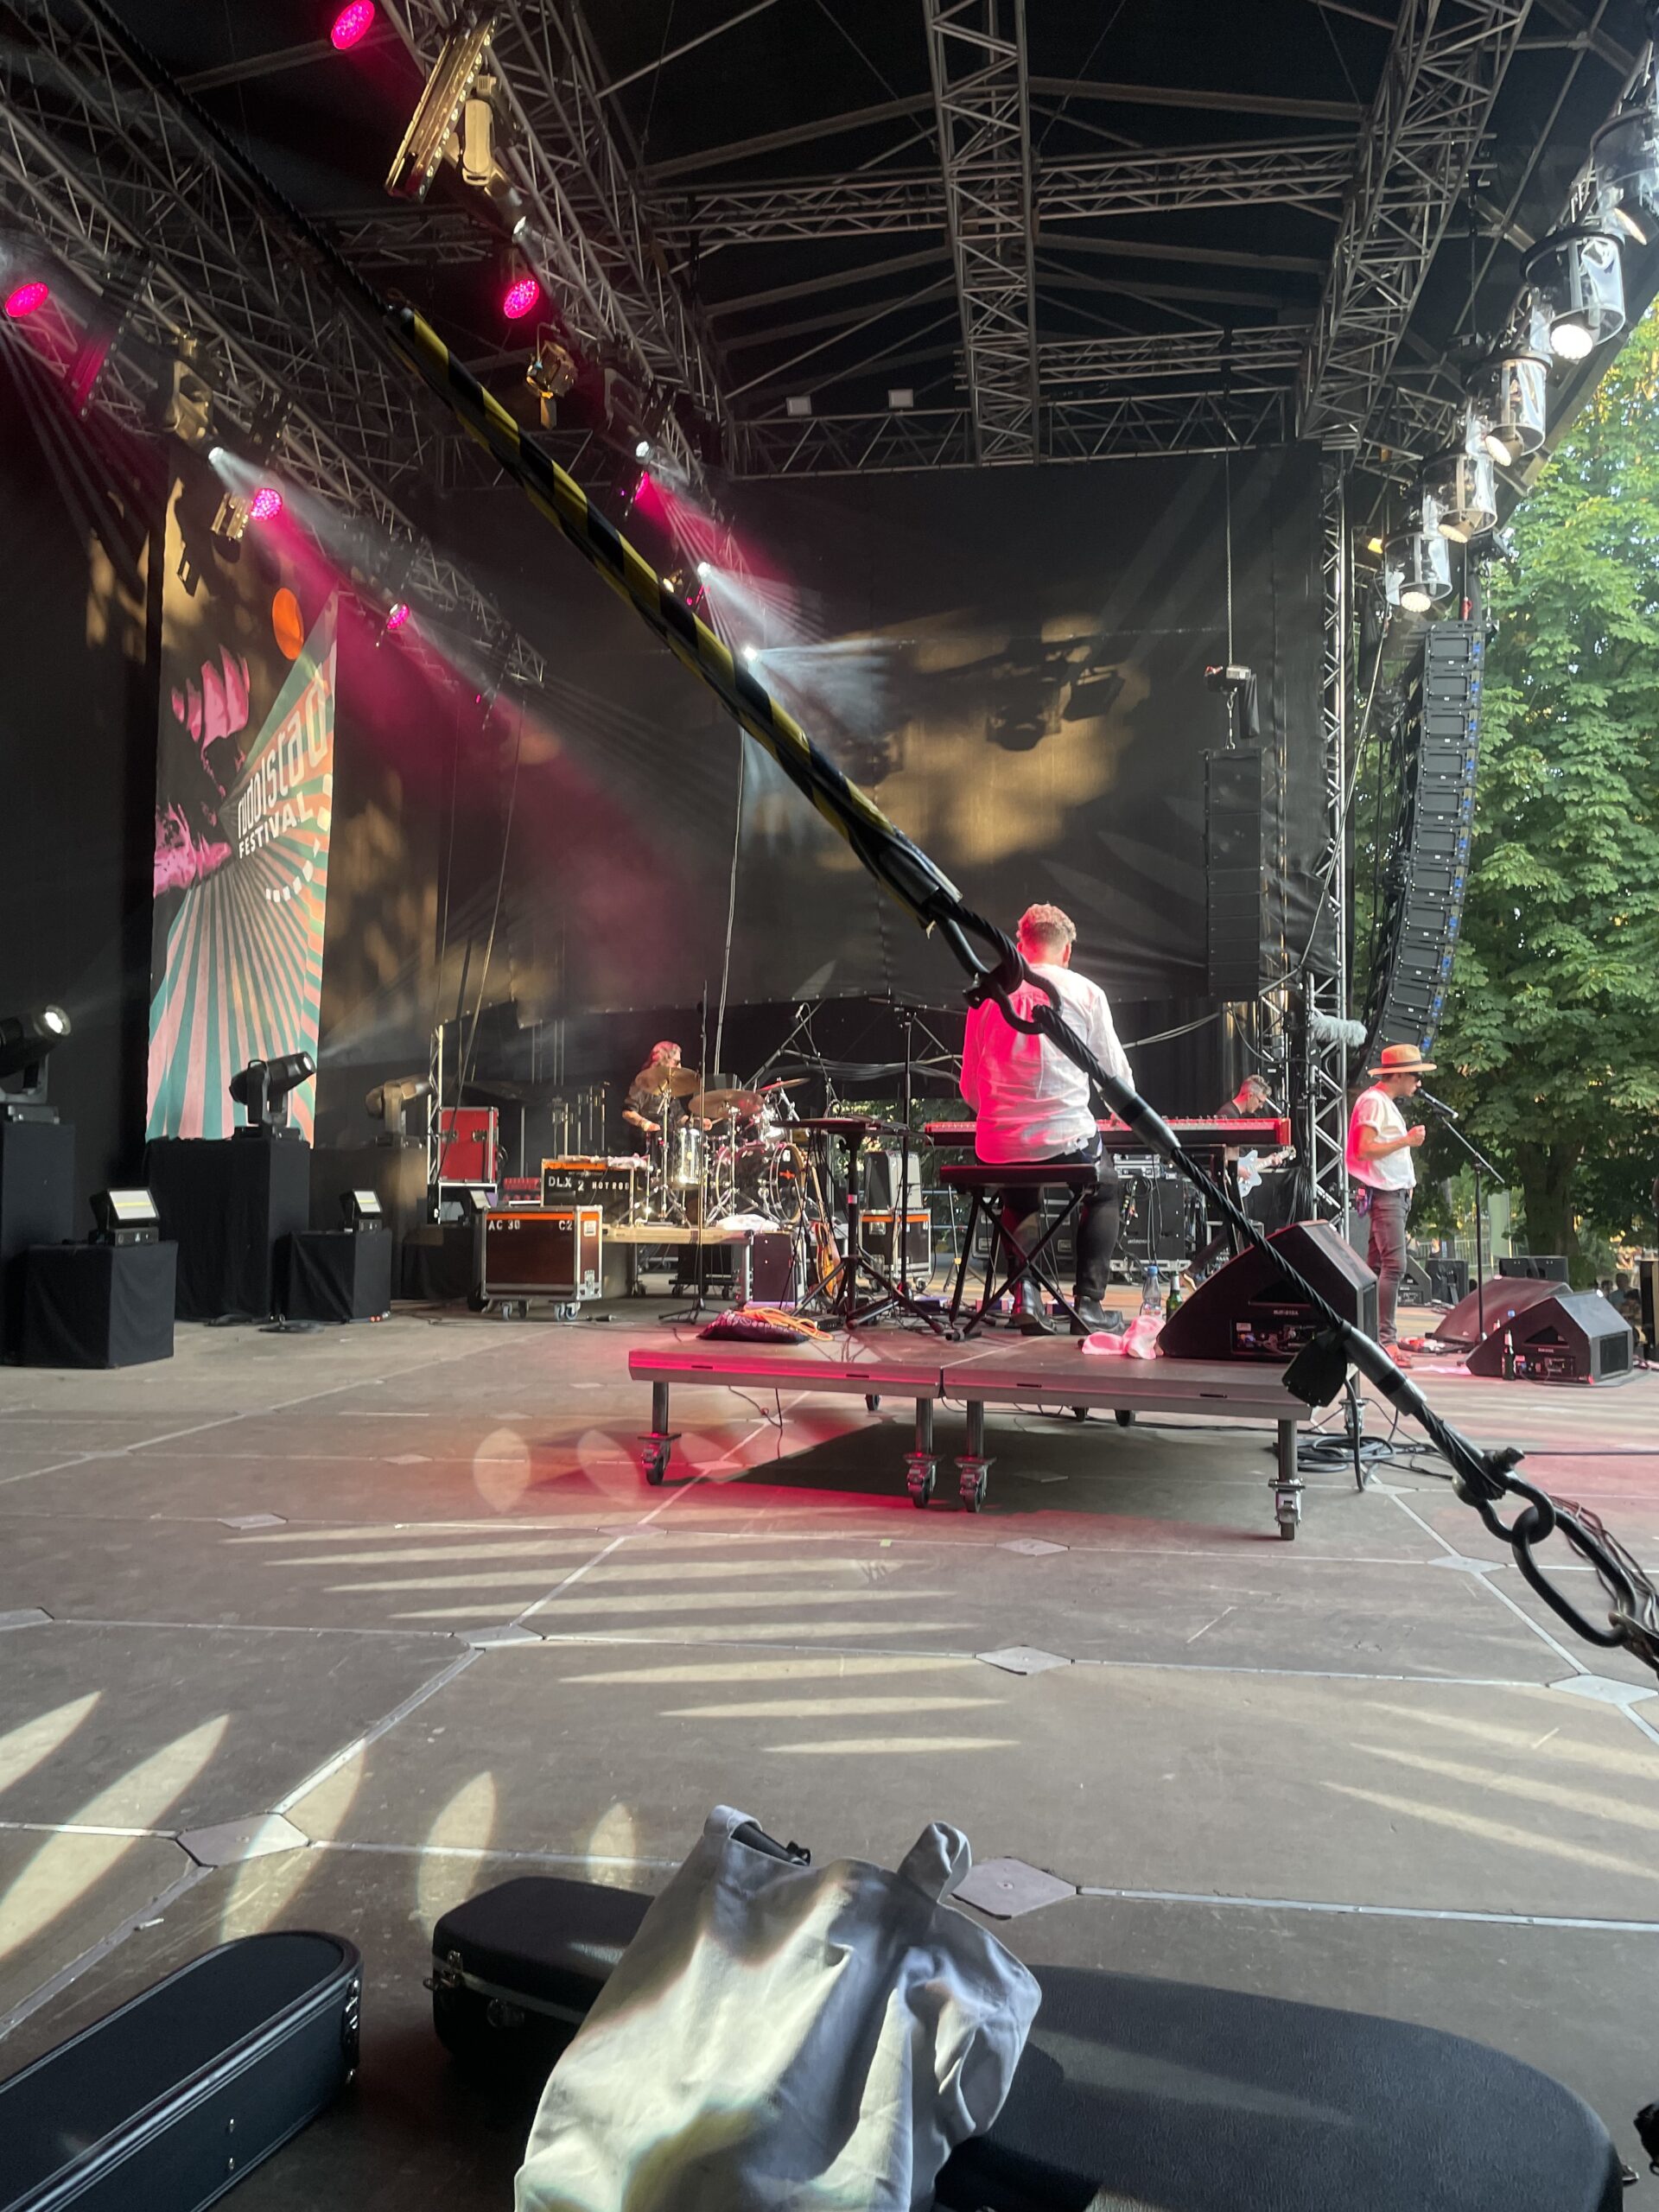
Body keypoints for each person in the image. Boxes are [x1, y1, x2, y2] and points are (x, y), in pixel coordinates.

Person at [959, 902, 1132, 1336]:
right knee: (1105, 1189)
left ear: (1019, 945)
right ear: (1067, 950)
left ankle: (1027, 1295)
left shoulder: (987, 996)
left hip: (999, 1145)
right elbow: (1115, 1075)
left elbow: (970, 1089)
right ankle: (1088, 1305)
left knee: (1019, 1193)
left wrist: (1005, 1117)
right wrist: (1119, 1113)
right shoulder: (1086, 992)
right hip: (1066, 1139)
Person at [1345, 1043, 1431, 1367]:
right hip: (1386, 1196)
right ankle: (1386, 1341)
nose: (1418, 1082)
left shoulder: (1383, 1104)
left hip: (1392, 1195)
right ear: (1397, 1075)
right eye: (1414, 1075)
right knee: (1394, 1266)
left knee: (1379, 1267)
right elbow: (1364, 1149)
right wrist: (1406, 1140)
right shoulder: (1374, 1103)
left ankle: (1373, 1337)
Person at [622, 1041, 685, 1143]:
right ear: (662, 1061)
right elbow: (627, 1112)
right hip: (645, 1144)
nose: (680, 1067)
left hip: (669, 1145)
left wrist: (697, 1122)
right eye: (676, 1062)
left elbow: (679, 1118)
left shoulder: (669, 1087)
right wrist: (646, 1125)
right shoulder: (644, 1083)